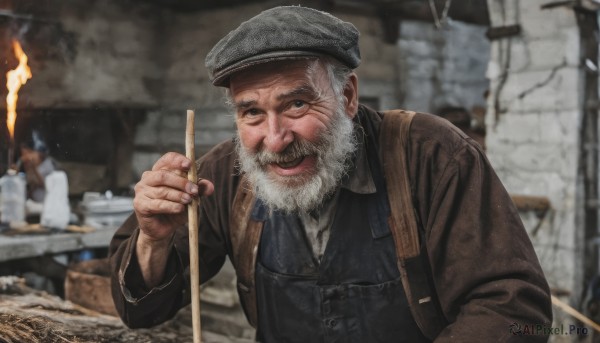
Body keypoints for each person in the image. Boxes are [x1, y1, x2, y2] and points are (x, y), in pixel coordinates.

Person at [110, 6, 552, 342]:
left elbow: (514, 307)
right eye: (251, 113)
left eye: (297, 104)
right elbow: (142, 312)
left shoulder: (433, 156)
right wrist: (153, 240)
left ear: (348, 96)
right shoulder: (222, 174)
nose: (276, 139)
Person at [18, 131, 56, 203]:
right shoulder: (31, 166)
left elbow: (46, 185)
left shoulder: (48, 165)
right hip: (33, 204)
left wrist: (34, 169)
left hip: (45, 203)